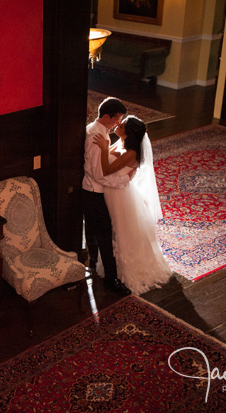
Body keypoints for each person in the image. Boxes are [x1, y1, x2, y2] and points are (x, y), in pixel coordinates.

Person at [93, 115, 172, 295]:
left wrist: (105, 149)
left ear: (128, 134)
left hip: (118, 196)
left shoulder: (131, 153)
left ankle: (123, 270)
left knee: (119, 230)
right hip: (112, 191)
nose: (118, 124)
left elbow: (106, 170)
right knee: (112, 229)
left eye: (123, 125)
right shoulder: (121, 143)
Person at [82, 97, 131, 295]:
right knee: (105, 235)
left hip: (91, 191)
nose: (118, 123)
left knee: (94, 232)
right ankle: (111, 280)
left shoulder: (99, 131)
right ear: (106, 116)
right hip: (94, 193)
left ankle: (92, 265)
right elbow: (98, 174)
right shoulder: (97, 136)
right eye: (117, 119)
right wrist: (122, 182)